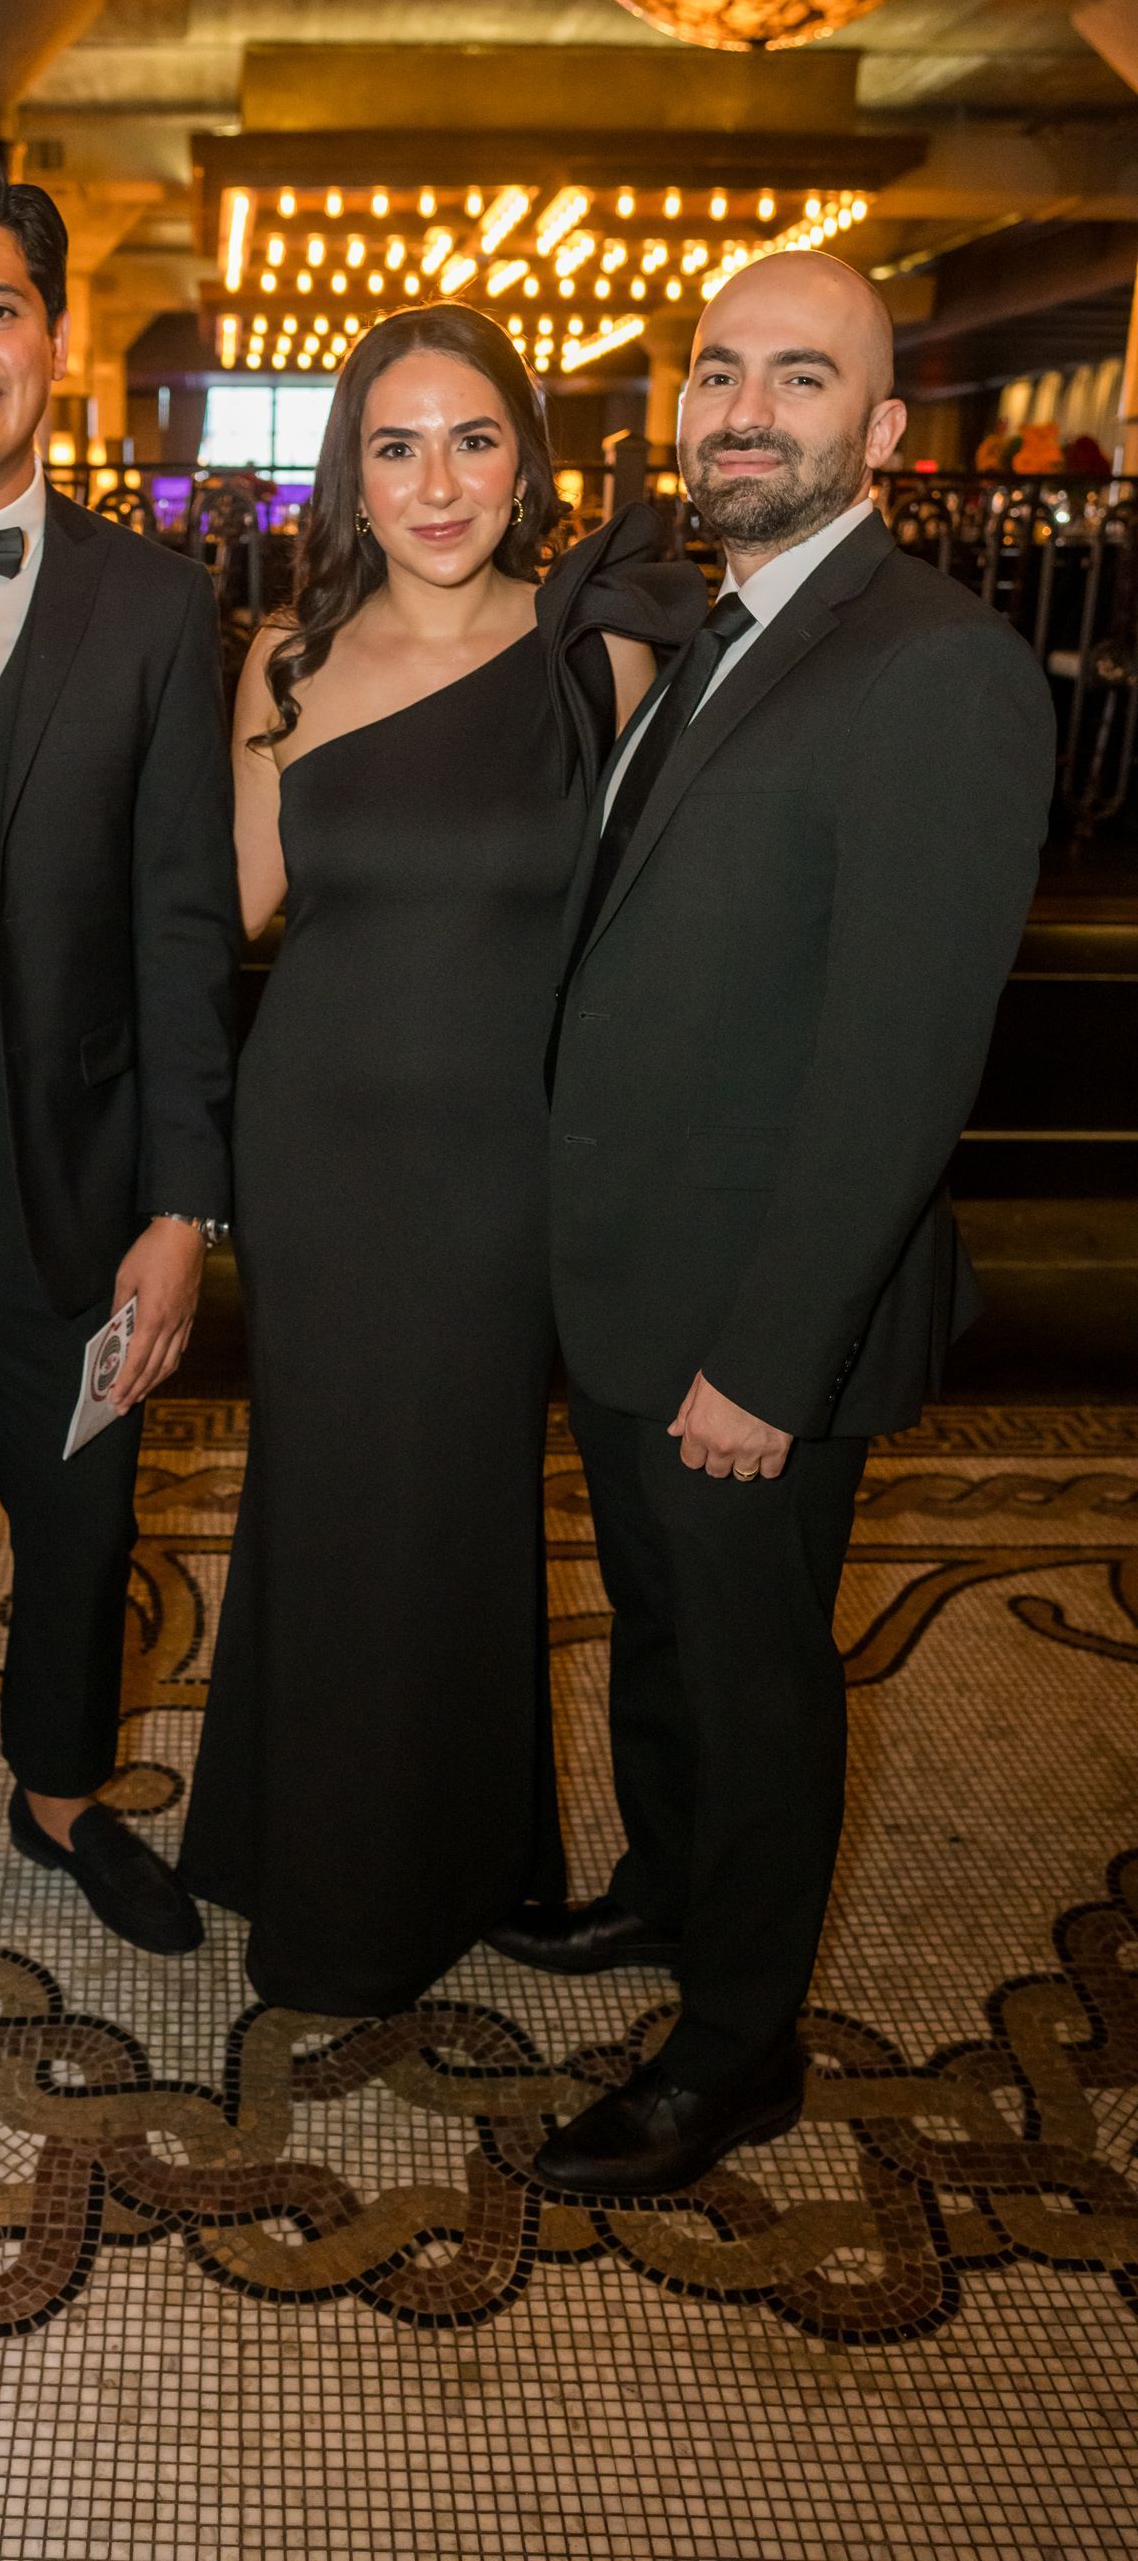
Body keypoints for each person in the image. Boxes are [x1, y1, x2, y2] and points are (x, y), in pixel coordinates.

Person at [493, 252, 1055, 2198]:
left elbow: (901, 1065)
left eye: (797, 377)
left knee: (752, 1678)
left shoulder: (939, 666)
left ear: (886, 431)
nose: (743, 408)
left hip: (753, 1323)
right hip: (633, 1285)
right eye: (720, 371)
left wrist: (767, 1353)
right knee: (659, 1637)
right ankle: (665, 1890)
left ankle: (735, 2054)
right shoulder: (719, 629)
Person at [178, 306, 705, 2015]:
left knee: (463, 1512)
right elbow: (220, 916)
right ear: (350, 473)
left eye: (471, 438)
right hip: (317, 1147)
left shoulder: (598, 656)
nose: (436, 481)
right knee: (323, 1502)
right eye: (394, 445)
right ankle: (302, 1867)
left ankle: (457, 1864)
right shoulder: (287, 659)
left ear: (524, 460)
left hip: (501, 1163)